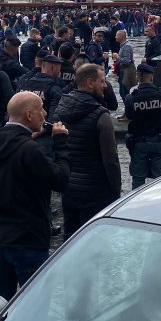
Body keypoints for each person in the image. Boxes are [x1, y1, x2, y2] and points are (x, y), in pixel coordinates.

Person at [0, 92, 70, 300]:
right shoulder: (30, 150)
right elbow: (60, 180)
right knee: (36, 305)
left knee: (1, 305)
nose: (45, 114)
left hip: (0, 239)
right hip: (28, 240)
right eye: (41, 109)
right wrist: (61, 143)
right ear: (29, 114)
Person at [54, 64, 122, 238]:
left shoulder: (61, 108)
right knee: (95, 242)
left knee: (70, 239)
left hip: (69, 189)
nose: (105, 86)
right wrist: (116, 191)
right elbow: (110, 160)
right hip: (95, 192)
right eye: (102, 81)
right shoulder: (101, 115)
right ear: (90, 83)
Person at [123, 63, 161, 187]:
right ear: (151, 77)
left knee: (138, 179)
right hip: (160, 141)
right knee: (160, 181)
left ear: (138, 77)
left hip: (139, 143)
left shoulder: (131, 98)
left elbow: (129, 116)